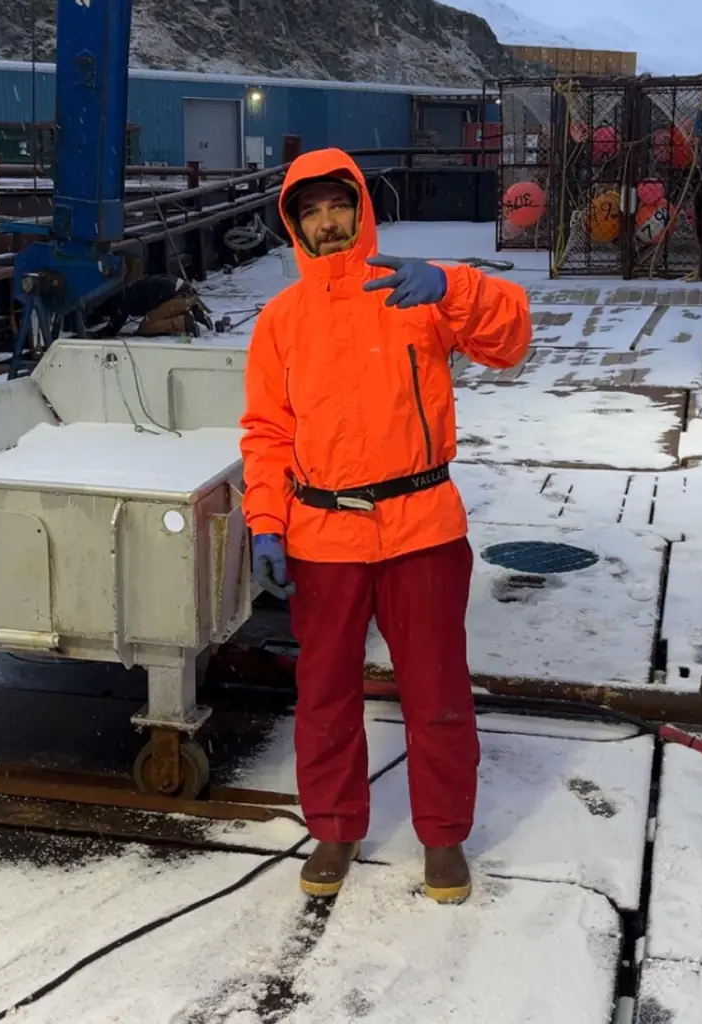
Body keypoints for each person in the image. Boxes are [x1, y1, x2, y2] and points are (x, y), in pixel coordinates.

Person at [239, 147, 532, 904]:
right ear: (295, 226)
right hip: (324, 534)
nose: (327, 222)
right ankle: (335, 826)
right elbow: (266, 433)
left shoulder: (416, 293)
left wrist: (454, 286)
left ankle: (443, 836)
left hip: (422, 526)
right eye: (311, 212)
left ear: (362, 210)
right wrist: (265, 522)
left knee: (435, 691)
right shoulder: (280, 321)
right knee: (326, 692)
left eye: (338, 205)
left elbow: (510, 343)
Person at [86, 256, 213, 338]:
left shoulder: (123, 300)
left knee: (146, 327)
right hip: (182, 291)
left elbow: (114, 327)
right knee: (158, 313)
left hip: (178, 296)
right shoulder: (132, 288)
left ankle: (185, 322)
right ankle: (191, 308)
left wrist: (96, 334)